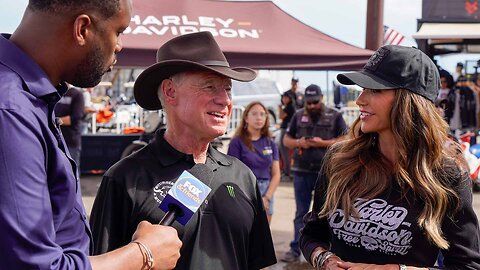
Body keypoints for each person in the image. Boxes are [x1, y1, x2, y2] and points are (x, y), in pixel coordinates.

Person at [0, 0, 183, 269]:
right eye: (118, 31)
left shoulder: (29, 96)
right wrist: (143, 254)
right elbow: (35, 266)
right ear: (83, 28)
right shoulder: (11, 109)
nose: (120, 46)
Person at [89, 31, 277, 270]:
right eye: (210, 86)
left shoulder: (242, 176)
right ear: (170, 92)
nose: (225, 100)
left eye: (227, 89)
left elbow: (258, 262)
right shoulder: (126, 178)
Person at [301, 45, 480, 270]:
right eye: (362, 89)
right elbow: (311, 233)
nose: (360, 100)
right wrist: (324, 259)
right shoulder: (339, 160)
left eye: (374, 90)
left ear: (409, 102)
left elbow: (467, 265)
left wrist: (397, 269)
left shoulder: (447, 175)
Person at [281, 84, 348, 262]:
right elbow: (286, 140)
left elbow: (347, 139)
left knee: (329, 214)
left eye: (315, 102)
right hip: (301, 171)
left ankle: (330, 253)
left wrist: (323, 143)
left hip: (327, 174)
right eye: (308, 102)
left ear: (321, 99)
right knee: (300, 212)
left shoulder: (335, 115)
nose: (311, 106)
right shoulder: (297, 115)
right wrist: (298, 143)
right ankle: (296, 249)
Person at [227, 101, 281, 224]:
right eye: (254, 114)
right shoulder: (237, 142)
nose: (259, 118)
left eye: (262, 114)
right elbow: (231, 173)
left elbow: (276, 174)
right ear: (246, 117)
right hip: (245, 190)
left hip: (267, 191)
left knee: (263, 237)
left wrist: (267, 197)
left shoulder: (270, 143)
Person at [55, 86, 85, 172]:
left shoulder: (77, 94)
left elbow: (75, 118)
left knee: (71, 171)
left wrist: (56, 121)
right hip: (57, 141)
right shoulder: (56, 92)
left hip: (71, 141)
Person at [278, 92, 295, 179]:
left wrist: (280, 108)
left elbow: (281, 116)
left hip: (285, 130)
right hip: (286, 129)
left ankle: (287, 171)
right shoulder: (289, 107)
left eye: (286, 98)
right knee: (285, 151)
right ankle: (286, 170)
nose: (284, 100)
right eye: (283, 98)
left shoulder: (289, 107)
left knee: (284, 151)